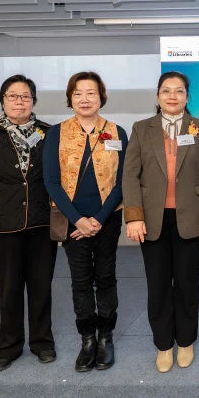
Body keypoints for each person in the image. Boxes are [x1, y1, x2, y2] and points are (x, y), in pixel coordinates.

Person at [122, 71, 199, 373]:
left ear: (187, 97)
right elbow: (130, 175)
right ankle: (164, 344)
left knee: (188, 283)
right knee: (158, 284)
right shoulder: (141, 129)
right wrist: (134, 216)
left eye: (179, 91)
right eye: (166, 91)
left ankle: (186, 340)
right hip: (152, 219)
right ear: (157, 96)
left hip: (189, 218)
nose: (173, 96)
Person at [0, 74, 57, 371]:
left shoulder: (49, 134)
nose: (19, 102)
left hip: (42, 224)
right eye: (13, 96)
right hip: (3, 225)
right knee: (9, 289)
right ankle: (8, 347)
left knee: (42, 286)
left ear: (34, 101)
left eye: (25, 96)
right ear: (3, 101)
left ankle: (42, 342)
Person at [43, 71, 127, 373]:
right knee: (80, 281)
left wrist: (99, 220)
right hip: (71, 222)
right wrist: (78, 220)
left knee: (105, 277)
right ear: (70, 98)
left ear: (101, 96)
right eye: (78, 93)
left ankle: (106, 337)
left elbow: (123, 181)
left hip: (107, 220)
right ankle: (87, 340)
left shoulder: (117, 131)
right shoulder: (57, 133)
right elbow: (51, 182)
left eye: (91, 92)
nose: (85, 98)